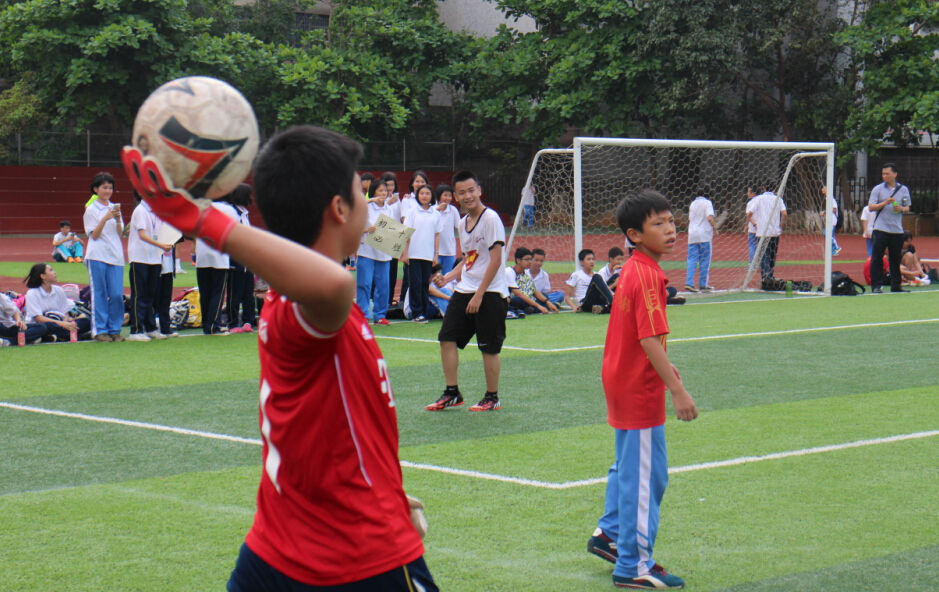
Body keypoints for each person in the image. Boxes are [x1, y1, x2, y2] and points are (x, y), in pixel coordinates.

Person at [121, 124, 436, 591]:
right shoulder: (310, 304)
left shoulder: (298, 303)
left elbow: (331, 424)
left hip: (280, 546)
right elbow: (335, 284)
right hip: (356, 555)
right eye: (361, 192)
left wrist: (383, 486)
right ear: (338, 209)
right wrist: (201, 219)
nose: (370, 205)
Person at [586, 189, 697, 590]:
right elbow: (649, 339)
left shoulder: (636, 268)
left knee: (632, 469)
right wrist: (678, 391)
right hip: (637, 387)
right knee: (646, 478)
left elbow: (644, 337)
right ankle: (634, 565)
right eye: (659, 224)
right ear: (634, 234)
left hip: (623, 378)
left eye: (671, 222)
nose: (670, 230)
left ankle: (611, 535)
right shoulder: (647, 275)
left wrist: (669, 371)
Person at [426, 170, 509, 412]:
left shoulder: (491, 219)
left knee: (488, 347)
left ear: (479, 191)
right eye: (462, 192)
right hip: (466, 289)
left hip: (490, 292)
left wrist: (480, 294)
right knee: (446, 337)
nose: (468, 195)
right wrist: (449, 277)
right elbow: (470, 259)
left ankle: (492, 397)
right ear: (455, 196)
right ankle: (452, 392)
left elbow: (495, 261)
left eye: (471, 190)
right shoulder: (462, 223)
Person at [83, 171, 126, 342]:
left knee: (116, 294)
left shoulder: (114, 207)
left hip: (115, 255)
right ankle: (100, 330)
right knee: (99, 293)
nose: (107, 191)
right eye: (104, 187)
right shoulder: (91, 210)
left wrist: (116, 219)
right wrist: (105, 218)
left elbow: (120, 233)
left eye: (110, 188)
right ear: (96, 189)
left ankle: (115, 329)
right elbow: (94, 235)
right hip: (97, 255)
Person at [127, 194, 173, 341]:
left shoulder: (156, 211)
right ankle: (136, 330)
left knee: (150, 295)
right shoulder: (140, 210)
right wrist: (161, 245)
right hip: (139, 257)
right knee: (139, 294)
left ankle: (150, 327)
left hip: (154, 258)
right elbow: (142, 234)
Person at [195, 200, 239, 334]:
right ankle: (214, 324)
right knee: (217, 292)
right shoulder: (229, 209)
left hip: (202, 254)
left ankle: (206, 324)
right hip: (219, 255)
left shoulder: (199, 207)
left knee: (205, 292)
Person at [868, 163, 912, 293]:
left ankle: (896, 285)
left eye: (887, 173)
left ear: (895, 174)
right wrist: (885, 202)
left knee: (895, 258)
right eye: (883, 174)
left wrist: (901, 209)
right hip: (880, 228)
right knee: (877, 257)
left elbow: (907, 207)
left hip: (896, 230)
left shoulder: (903, 189)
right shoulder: (878, 189)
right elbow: (871, 207)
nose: (884, 176)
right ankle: (876, 286)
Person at [356, 178, 393, 325]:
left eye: (385, 190)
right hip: (366, 249)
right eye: (380, 190)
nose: (383, 193)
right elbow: (354, 215)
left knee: (383, 285)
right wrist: (366, 230)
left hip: (383, 251)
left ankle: (380, 315)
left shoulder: (388, 209)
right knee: (364, 283)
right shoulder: (365, 206)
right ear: (373, 192)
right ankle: (363, 314)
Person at [401, 184, 440, 323]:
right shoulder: (412, 212)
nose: (424, 196)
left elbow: (436, 235)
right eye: (422, 193)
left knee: (424, 283)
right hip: (413, 253)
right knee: (415, 283)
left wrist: (436, 255)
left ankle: (423, 311)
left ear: (431, 196)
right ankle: (416, 312)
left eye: (427, 193)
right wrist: (405, 253)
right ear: (417, 195)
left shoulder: (436, 213)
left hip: (427, 254)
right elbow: (406, 233)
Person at [23, 263, 91, 341]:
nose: (54, 272)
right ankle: (75, 335)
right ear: (43, 276)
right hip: (43, 324)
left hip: (60, 323)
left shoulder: (58, 290)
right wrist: (62, 324)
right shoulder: (32, 293)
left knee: (86, 321)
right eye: (51, 270)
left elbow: (65, 311)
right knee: (45, 327)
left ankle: (59, 336)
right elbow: (39, 318)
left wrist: (66, 323)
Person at [226, 184, 258, 333]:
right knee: (235, 292)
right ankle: (232, 323)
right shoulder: (232, 212)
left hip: (247, 259)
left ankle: (248, 321)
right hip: (235, 259)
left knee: (248, 292)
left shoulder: (245, 214)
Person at [747, 182, 787, 280]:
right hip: (774, 232)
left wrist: (755, 223)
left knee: (764, 255)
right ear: (775, 189)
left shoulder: (759, 199)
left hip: (762, 232)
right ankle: (770, 275)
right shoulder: (778, 199)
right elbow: (784, 213)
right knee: (772, 255)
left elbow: (749, 213)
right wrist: (781, 225)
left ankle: (766, 277)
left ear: (764, 188)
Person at [505, 247, 556, 314]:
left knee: (544, 296)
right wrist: (538, 306)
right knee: (518, 300)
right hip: (512, 300)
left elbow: (534, 290)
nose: (530, 262)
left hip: (528, 299)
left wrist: (547, 302)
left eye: (530, 259)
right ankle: (524, 310)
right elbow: (519, 294)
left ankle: (529, 309)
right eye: (526, 259)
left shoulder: (526, 273)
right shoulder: (509, 272)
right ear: (518, 260)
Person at [684, 186, 715, 292]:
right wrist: (715, 227)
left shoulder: (692, 204)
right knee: (705, 260)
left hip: (692, 234)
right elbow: (709, 217)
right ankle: (703, 284)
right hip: (704, 235)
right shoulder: (707, 203)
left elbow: (690, 218)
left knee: (692, 259)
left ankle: (689, 282)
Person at [435, 184, 460, 275]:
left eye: (449, 196)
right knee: (433, 278)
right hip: (434, 251)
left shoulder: (453, 210)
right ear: (439, 196)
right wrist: (437, 210)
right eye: (445, 195)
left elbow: (459, 228)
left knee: (448, 277)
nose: (448, 198)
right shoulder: (432, 209)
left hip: (449, 250)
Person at [744, 184, 758, 264]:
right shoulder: (761, 201)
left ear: (753, 193)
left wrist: (748, 225)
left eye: (748, 191)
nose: (747, 193)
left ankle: (752, 264)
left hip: (753, 228)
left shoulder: (750, 203)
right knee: (760, 246)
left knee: (752, 245)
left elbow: (749, 215)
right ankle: (760, 263)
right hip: (762, 227)